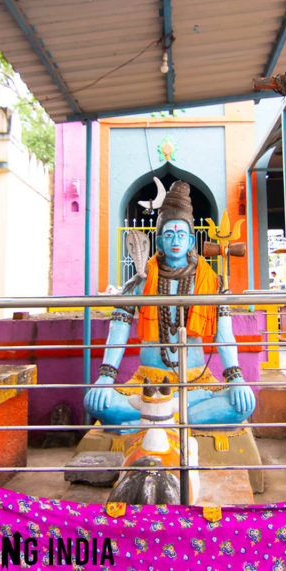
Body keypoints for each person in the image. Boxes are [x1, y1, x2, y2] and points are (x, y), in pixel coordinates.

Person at [84, 180, 256, 428]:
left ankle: (154, 421)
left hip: (195, 383)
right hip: (148, 383)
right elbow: (118, 330)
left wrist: (236, 378)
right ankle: (178, 419)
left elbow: (224, 335)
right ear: (160, 242)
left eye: (181, 234)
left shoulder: (210, 282)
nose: (175, 239)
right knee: (96, 402)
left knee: (242, 405)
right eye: (169, 234)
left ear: (190, 241)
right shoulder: (141, 281)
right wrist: (105, 377)